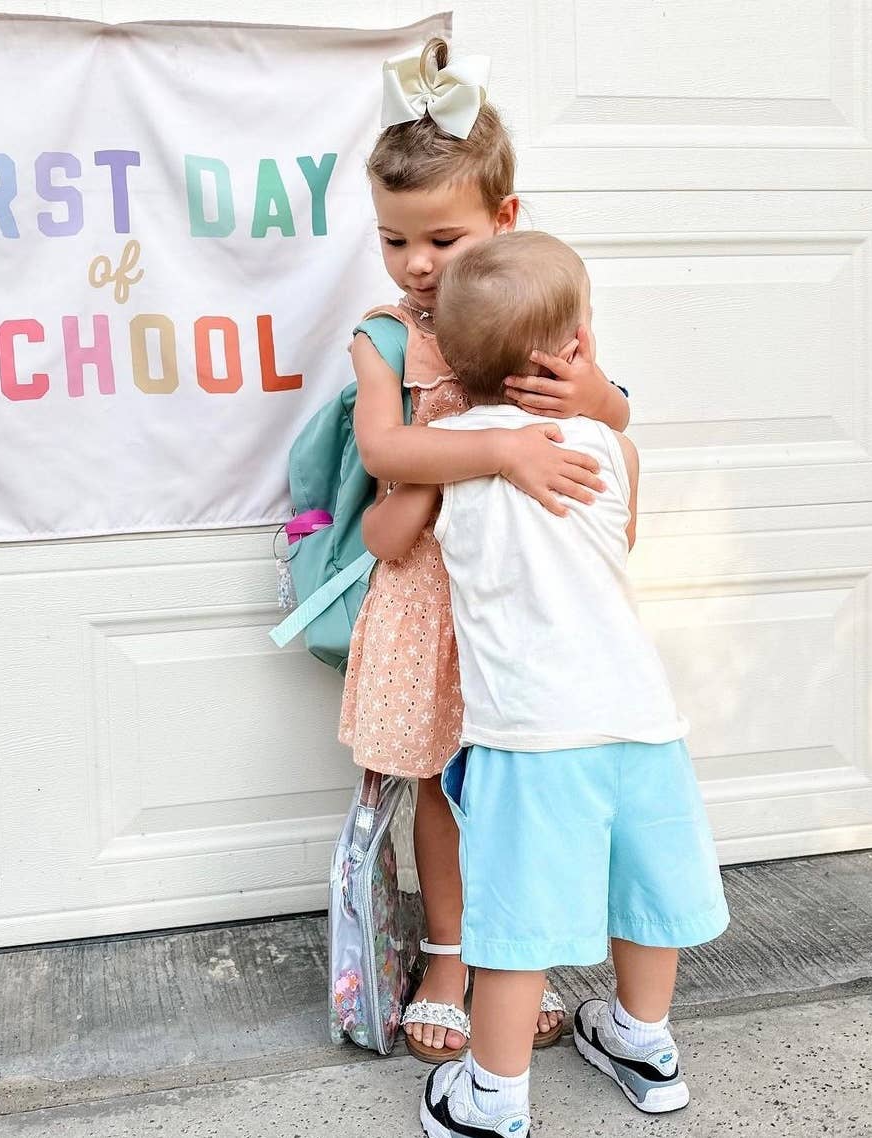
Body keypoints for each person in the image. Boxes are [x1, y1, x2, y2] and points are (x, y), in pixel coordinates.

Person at [376, 231, 731, 1137]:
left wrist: (462, 456)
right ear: (578, 344)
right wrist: (600, 406)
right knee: (645, 895)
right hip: (642, 721)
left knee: (516, 924)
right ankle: (644, 1043)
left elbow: (385, 538)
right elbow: (626, 537)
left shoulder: (449, 452)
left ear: (453, 361)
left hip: (532, 736)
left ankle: (491, 1099)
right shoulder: (617, 450)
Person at [338, 37, 631, 1060]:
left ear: (507, 220)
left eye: (442, 240)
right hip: (432, 602)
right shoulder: (386, 337)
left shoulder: (538, 316)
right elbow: (383, 445)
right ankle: (452, 957)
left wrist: (598, 398)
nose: (416, 266)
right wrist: (496, 444)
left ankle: (520, 957)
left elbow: (607, 424)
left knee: (527, 785)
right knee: (447, 792)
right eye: (392, 241)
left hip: (521, 596)